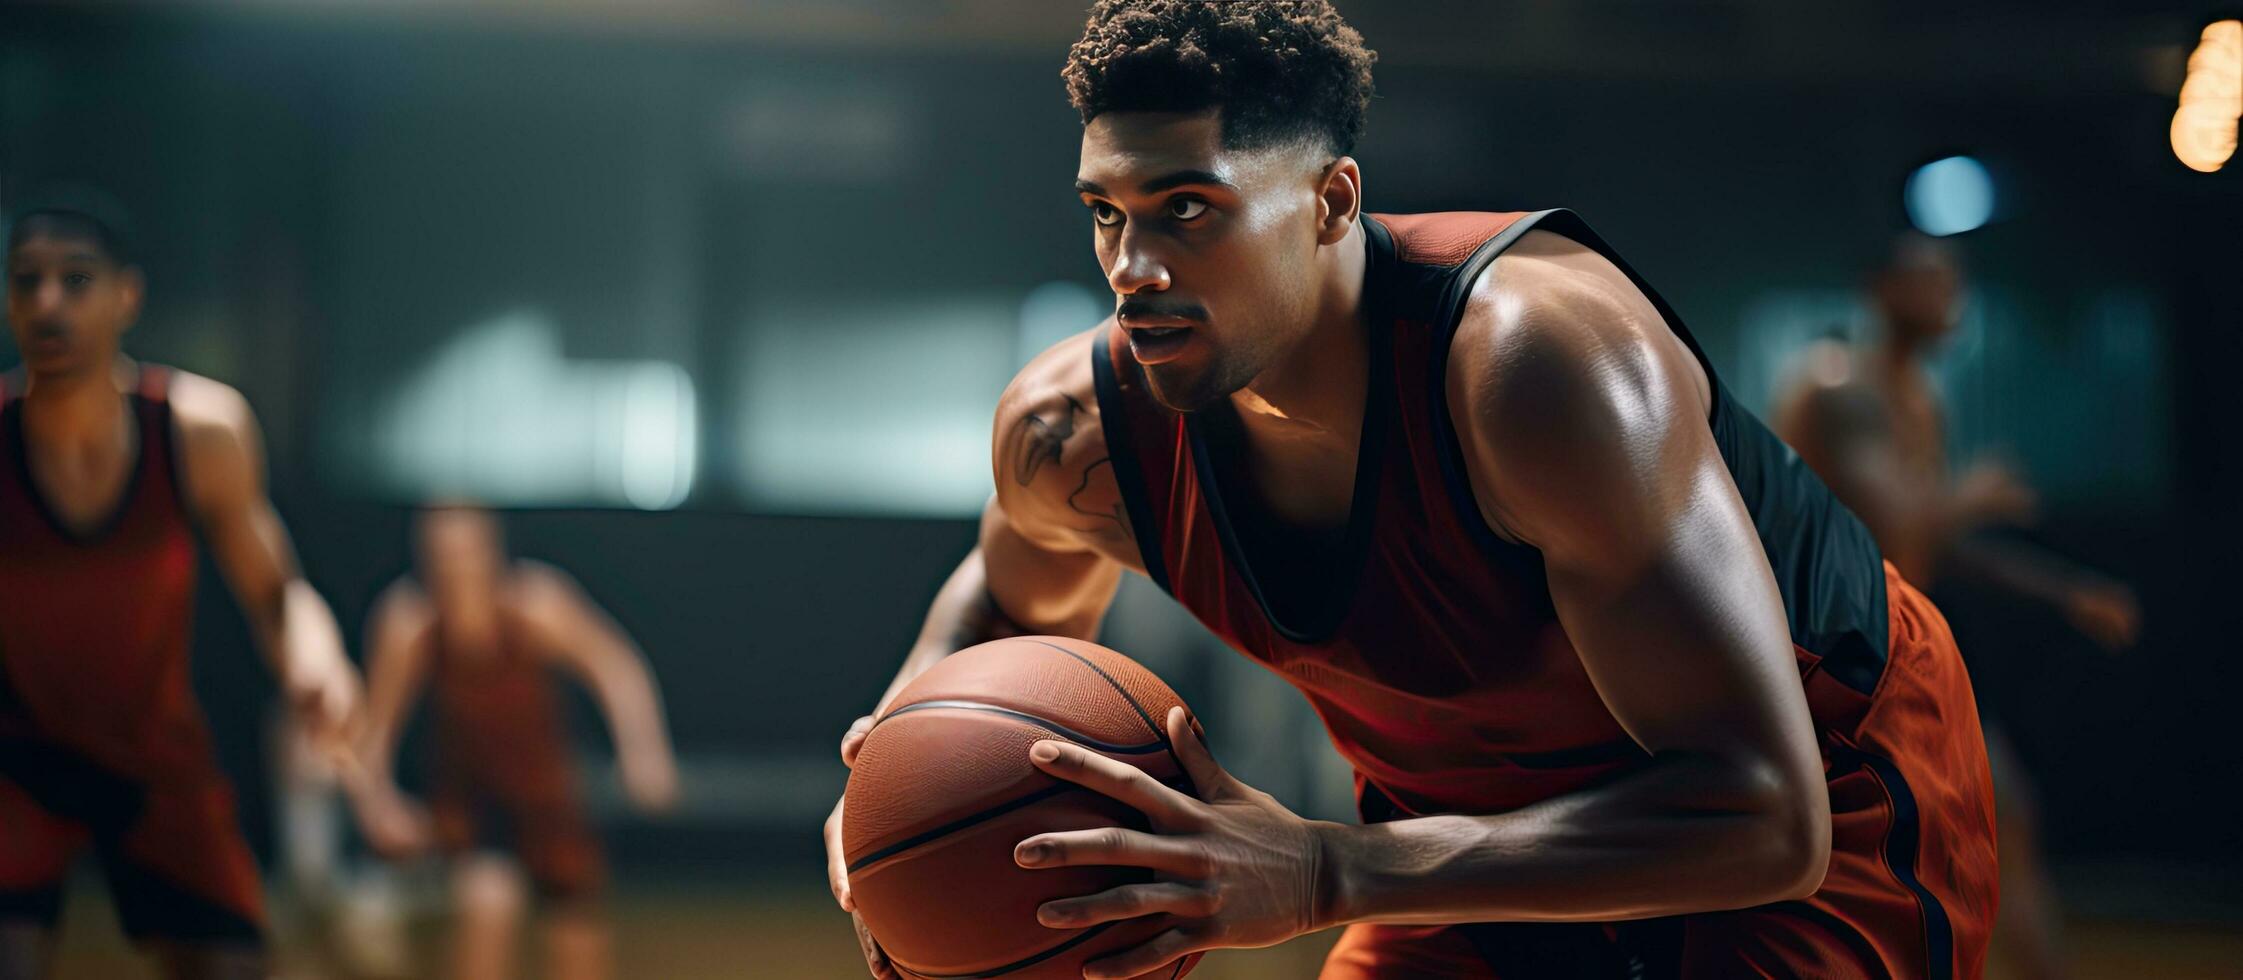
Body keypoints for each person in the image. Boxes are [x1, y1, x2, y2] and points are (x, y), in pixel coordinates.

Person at [823, 3, 2000, 978]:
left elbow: (1763, 815)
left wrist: (1327, 870)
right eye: (1106, 215)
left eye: (1187, 208)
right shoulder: (1071, 435)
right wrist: (890, 787)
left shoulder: (1539, 369)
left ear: (1332, 202)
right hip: (1468, 827)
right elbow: (999, 598)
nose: (1134, 269)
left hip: (1817, 798)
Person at [0, 185, 361, 979]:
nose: (48, 302)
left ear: (128, 296)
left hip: (154, 752)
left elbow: (280, 594)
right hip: (16, 755)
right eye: (26, 280)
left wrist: (319, 663)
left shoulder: (199, 432)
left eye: (76, 279)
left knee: (232, 964)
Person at [1774, 234, 2141, 979]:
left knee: (2002, 822)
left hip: (1894, 647)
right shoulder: (1838, 386)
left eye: (1953, 279)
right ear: (1879, 288)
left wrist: (2064, 591)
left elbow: (1932, 546)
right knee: (1831, 868)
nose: (1950, 295)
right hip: (1823, 654)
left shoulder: (1917, 399)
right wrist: (1968, 495)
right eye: (1928, 279)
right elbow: (1892, 530)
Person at [349, 504, 678, 980]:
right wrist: (376, 805)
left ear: (492, 552)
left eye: (467, 553)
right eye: (443, 557)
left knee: (578, 945)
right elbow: (374, 732)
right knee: (487, 908)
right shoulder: (410, 624)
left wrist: (645, 754)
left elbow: (616, 668)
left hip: (550, 803)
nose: (457, 569)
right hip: (474, 811)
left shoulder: (537, 606)